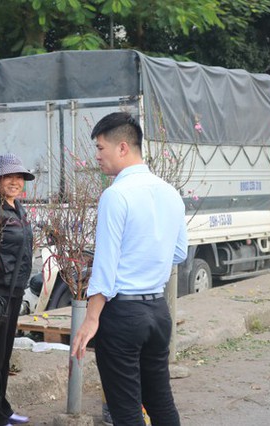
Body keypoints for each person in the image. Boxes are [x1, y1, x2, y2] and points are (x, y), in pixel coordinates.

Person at [71, 112, 188, 425]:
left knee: (126, 411)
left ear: (122, 147)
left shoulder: (116, 195)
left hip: (122, 315)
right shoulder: (171, 193)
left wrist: (91, 319)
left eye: (100, 148)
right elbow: (178, 252)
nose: (97, 156)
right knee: (161, 403)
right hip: (158, 312)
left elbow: (105, 268)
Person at [0, 153, 34, 426]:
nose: (14, 181)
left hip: (15, 292)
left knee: (4, 357)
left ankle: (2, 408)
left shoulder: (17, 208)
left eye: (19, 177)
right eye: (9, 176)